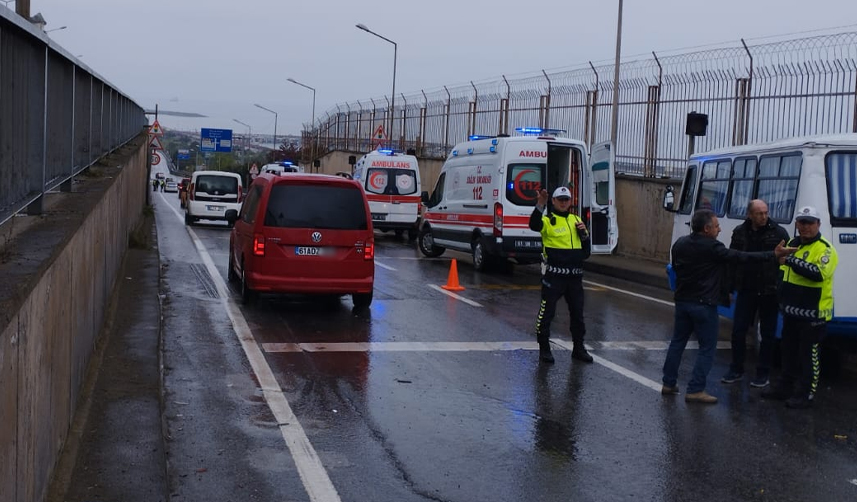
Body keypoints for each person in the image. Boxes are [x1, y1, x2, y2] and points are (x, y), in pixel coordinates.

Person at [662, 209, 796, 404]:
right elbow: (741, 257)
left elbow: (677, 267)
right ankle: (696, 389)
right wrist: (772, 255)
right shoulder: (713, 247)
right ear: (706, 229)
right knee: (707, 348)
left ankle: (668, 383)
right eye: (716, 226)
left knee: (677, 342)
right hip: (704, 304)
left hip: (683, 302)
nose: (719, 229)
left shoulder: (680, 243)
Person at [762, 206, 838, 409]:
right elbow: (782, 271)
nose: (805, 227)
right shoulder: (791, 244)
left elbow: (818, 273)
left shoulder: (825, 249)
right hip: (791, 311)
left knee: (808, 356)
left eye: (810, 223)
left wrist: (789, 260)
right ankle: (784, 388)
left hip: (813, 314)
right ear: (796, 224)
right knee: (787, 352)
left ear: (818, 224)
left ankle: (806, 394)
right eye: (802, 222)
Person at [721, 200, 790, 388]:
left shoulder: (779, 233)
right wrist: (728, 289)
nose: (764, 216)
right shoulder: (740, 232)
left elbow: (786, 263)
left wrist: (781, 288)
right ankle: (736, 369)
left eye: (766, 212)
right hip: (746, 289)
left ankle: (763, 373)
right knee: (738, 331)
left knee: (767, 335)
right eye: (759, 213)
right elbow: (732, 260)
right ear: (750, 214)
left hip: (769, 291)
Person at [530, 186, 592, 365]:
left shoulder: (576, 220)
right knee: (546, 314)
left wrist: (584, 235)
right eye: (560, 200)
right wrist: (540, 205)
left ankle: (579, 348)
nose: (564, 203)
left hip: (575, 279)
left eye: (566, 200)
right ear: (554, 201)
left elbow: (586, 252)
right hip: (554, 278)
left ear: (570, 201)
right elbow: (534, 225)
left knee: (578, 316)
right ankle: (544, 349)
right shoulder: (548, 220)